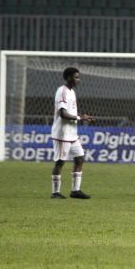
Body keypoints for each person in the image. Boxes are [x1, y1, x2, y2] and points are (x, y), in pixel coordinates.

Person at [51, 67, 95, 199]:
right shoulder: (62, 92)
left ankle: (75, 191)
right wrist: (81, 118)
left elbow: (70, 112)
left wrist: (82, 116)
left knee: (80, 158)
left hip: (72, 134)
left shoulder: (71, 92)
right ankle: (55, 192)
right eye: (76, 77)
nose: (78, 80)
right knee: (60, 162)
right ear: (69, 77)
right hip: (62, 134)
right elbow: (63, 114)